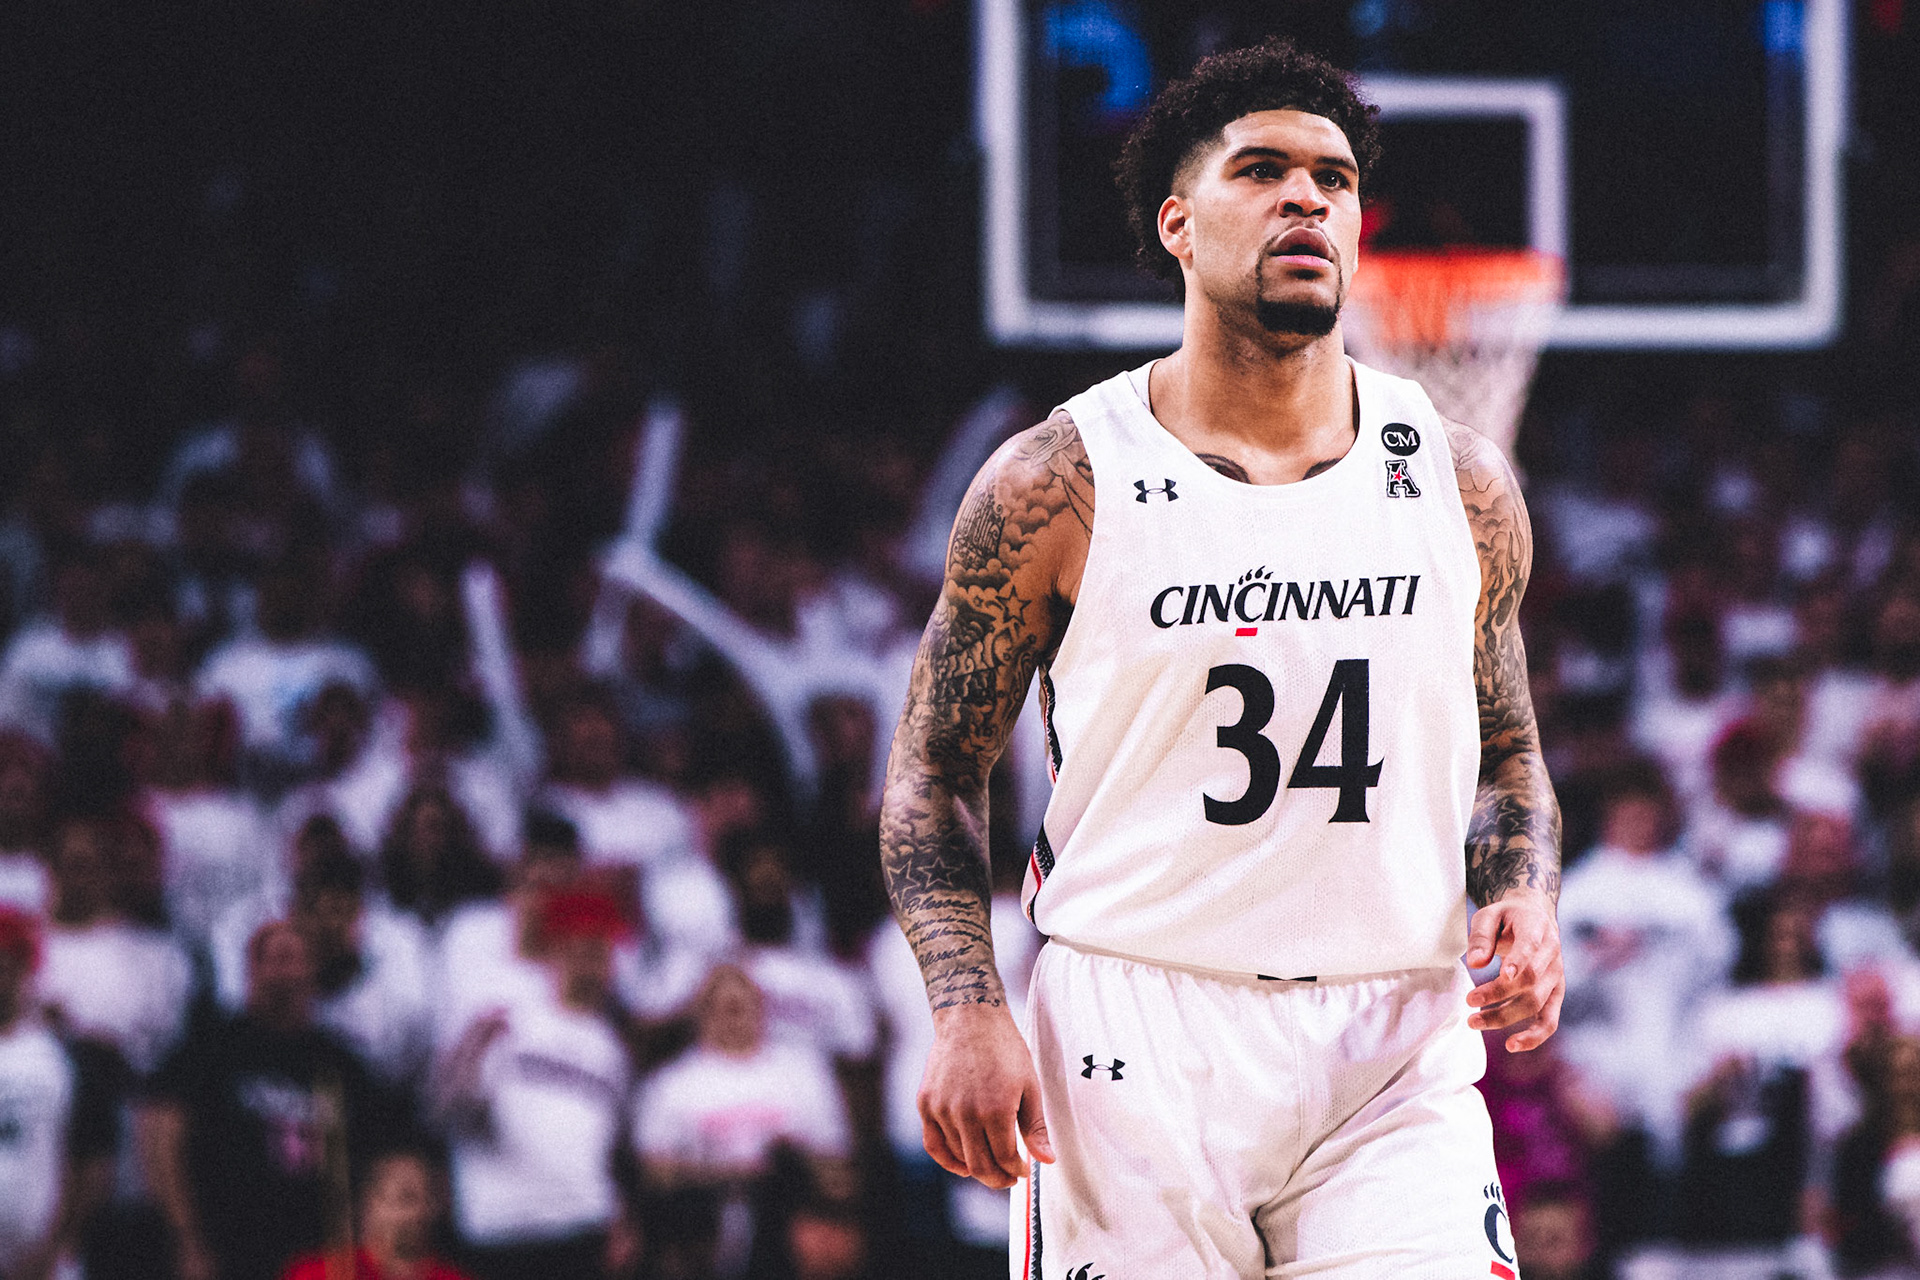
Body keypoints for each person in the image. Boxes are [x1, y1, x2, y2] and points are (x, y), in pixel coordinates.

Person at [879, 39, 1564, 1277]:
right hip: (1138, 1033)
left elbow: (1510, 752)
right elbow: (932, 769)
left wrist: (1524, 892)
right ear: (1178, 225)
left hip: (1392, 1038)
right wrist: (968, 1004)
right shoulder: (1059, 482)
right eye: (1263, 170)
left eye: (1334, 178)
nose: (1309, 197)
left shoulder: (1461, 481)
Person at [139, 921, 393, 1280]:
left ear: (313, 969)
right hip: (228, 1249)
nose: (285, 972)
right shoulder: (211, 1048)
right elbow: (161, 1140)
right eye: (275, 959)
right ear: (252, 969)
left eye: (295, 959)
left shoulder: (341, 1063)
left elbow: (376, 1161)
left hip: (317, 1254)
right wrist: (186, 1239)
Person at [280, 1147, 476, 1280]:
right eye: (406, 1197)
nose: (420, 1211)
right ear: (368, 1204)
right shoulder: (318, 1273)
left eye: (429, 1197)